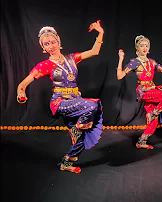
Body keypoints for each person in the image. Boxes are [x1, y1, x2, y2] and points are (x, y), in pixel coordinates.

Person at [16, 21, 105, 174]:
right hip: (60, 102)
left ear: (58, 42)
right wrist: (21, 92)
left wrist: (100, 32)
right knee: (92, 106)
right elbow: (23, 84)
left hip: (75, 100)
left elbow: (94, 51)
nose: (51, 45)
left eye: (52, 42)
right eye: (46, 44)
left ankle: (66, 162)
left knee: (81, 140)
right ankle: (77, 128)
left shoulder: (72, 58)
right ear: (43, 48)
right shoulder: (44, 65)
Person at [116, 35, 162, 149]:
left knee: (154, 122)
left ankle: (141, 142)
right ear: (137, 49)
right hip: (144, 91)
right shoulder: (134, 62)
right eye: (141, 46)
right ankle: (154, 112)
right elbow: (120, 76)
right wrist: (121, 59)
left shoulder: (152, 62)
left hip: (152, 90)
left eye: (146, 46)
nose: (144, 48)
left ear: (149, 49)